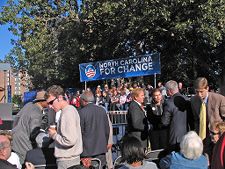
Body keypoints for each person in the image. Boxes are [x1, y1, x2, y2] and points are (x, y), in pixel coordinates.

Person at [46, 85, 82, 169]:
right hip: (69, 158)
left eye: (51, 102)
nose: (50, 106)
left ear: (60, 97)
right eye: (48, 103)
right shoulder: (68, 110)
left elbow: (69, 141)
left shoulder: (67, 112)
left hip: (67, 160)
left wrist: (54, 135)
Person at [12, 90, 48, 163]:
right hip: (24, 140)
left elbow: (16, 118)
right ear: (41, 101)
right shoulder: (37, 112)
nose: (50, 103)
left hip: (15, 137)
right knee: (27, 161)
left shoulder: (28, 105)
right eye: (48, 101)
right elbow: (34, 132)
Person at [191, 77, 225, 154]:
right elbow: (196, 119)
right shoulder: (193, 100)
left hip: (218, 137)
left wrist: (219, 133)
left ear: (207, 88)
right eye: (197, 92)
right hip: (202, 138)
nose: (199, 95)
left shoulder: (219, 99)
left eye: (201, 92)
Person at [79, 90, 110, 168]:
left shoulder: (81, 112)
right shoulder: (102, 110)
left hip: (86, 151)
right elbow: (107, 130)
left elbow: (80, 132)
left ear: (83, 100)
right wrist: (105, 143)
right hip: (101, 148)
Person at [161, 80, 190, 152]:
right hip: (187, 134)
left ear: (169, 91)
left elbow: (165, 122)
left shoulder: (169, 103)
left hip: (174, 137)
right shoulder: (187, 99)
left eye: (166, 91)